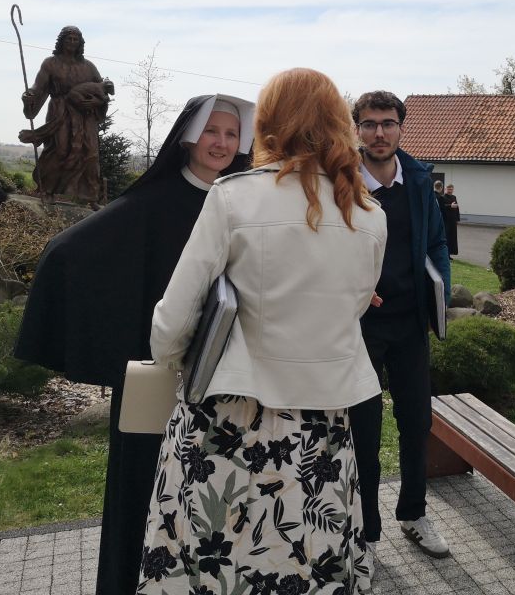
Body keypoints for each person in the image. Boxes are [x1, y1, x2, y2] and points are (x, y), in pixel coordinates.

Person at [140, 69, 383, 594]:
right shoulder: (369, 214)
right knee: (306, 564)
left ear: (268, 123)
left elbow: (174, 320)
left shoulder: (234, 197)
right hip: (320, 429)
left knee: (213, 564)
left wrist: (173, 359)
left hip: (227, 420)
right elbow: (355, 309)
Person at [14, 93, 253, 595]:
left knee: (214, 496)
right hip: (159, 374)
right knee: (143, 488)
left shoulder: (245, 203)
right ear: (188, 137)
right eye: (212, 131)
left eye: (232, 134)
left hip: (226, 377)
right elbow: (68, 250)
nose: (221, 143)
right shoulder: (153, 201)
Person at [349, 90, 452, 558]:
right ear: (357, 129)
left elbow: (435, 243)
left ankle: (413, 513)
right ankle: (366, 533)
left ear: (400, 128)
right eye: (369, 124)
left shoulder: (418, 179)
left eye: (388, 123)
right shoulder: (342, 181)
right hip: (360, 326)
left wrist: (437, 300)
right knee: (363, 430)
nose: (379, 132)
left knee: (416, 422)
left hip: (410, 323)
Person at [18, 26, 113, 205]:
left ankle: (90, 197)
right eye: (68, 38)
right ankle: (48, 190)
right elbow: (38, 87)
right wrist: (29, 96)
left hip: (86, 115)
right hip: (60, 113)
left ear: (80, 43)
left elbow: (103, 91)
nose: (72, 42)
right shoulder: (50, 64)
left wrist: (96, 102)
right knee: (59, 150)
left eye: (75, 39)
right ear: (61, 41)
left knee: (90, 153)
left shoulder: (89, 66)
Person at [443, 184, 460, 256]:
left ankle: (450, 253)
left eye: (451, 189)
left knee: (453, 237)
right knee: (447, 237)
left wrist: (457, 218)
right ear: (445, 189)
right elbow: (442, 206)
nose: (450, 190)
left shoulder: (454, 197)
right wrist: (450, 205)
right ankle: (446, 253)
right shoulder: (443, 197)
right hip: (446, 220)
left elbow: (457, 208)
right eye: (449, 189)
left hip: (453, 220)